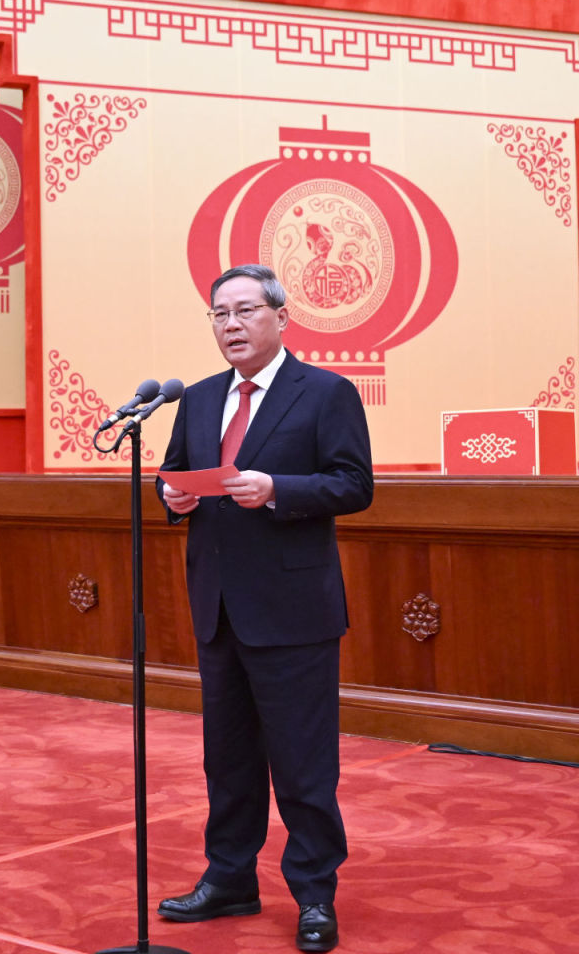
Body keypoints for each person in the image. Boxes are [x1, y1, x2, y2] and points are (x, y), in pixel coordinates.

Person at [156, 264, 373, 952]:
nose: (232, 325)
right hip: (219, 607)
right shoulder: (198, 398)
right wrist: (171, 496)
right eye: (220, 314)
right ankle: (229, 878)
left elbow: (354, 484)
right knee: (227, 760)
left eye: (246, 311)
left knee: (304, 766)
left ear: (281, 317)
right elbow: (173, 473)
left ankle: (314, 895)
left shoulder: (326, 392)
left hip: (293, 610)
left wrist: (278, 488)